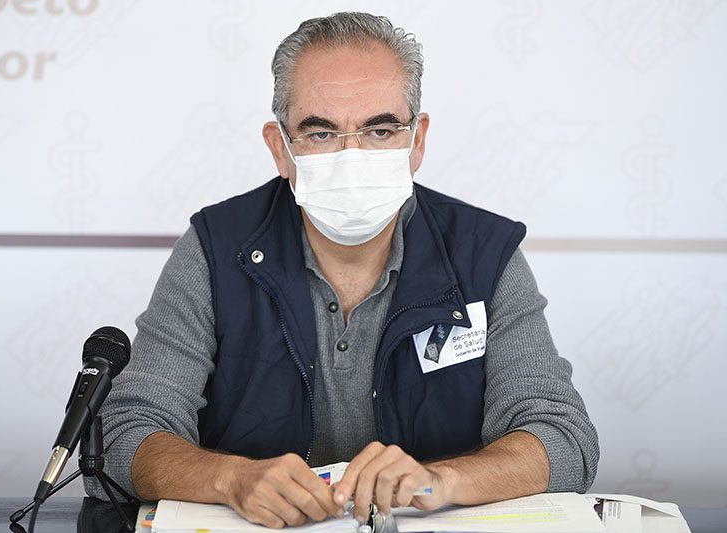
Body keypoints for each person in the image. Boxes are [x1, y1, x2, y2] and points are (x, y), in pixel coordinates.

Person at [85, 12, 599, 528]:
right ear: (280, 148)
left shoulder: (484, 255)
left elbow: (563, 438)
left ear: (417, 141)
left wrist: (441, 481)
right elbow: (124, 433)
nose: (352, 157)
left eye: (380, 130)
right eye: (322, 133)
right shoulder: (216, 250)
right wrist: (230, 478)